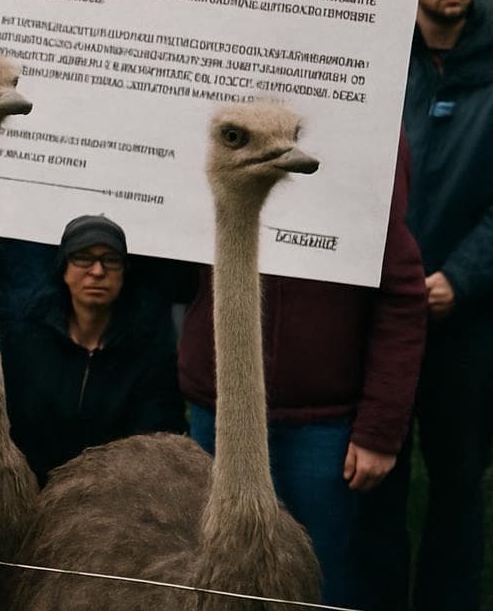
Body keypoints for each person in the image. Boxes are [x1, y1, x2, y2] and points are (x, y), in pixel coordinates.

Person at [177, 135, 426, 608]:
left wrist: (379, 429)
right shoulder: (216, 131)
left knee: (320, 573)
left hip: (322, 424)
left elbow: (402, 295)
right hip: (222, 410)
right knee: (215, 564)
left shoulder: (369, 137)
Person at [395, 0, 493, 611]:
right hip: (388, 318)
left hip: (468, 323)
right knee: (376, 478)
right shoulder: (382, 74)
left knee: (458, 486)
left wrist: (461, 278)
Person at [0, 215, 186, 486]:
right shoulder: (23, 342)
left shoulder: (150, 352)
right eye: (83, 258)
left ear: (124, 273)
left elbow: (158, 437)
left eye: (111, 260)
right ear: (64, 269)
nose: (97, 272)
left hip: (112, 500)